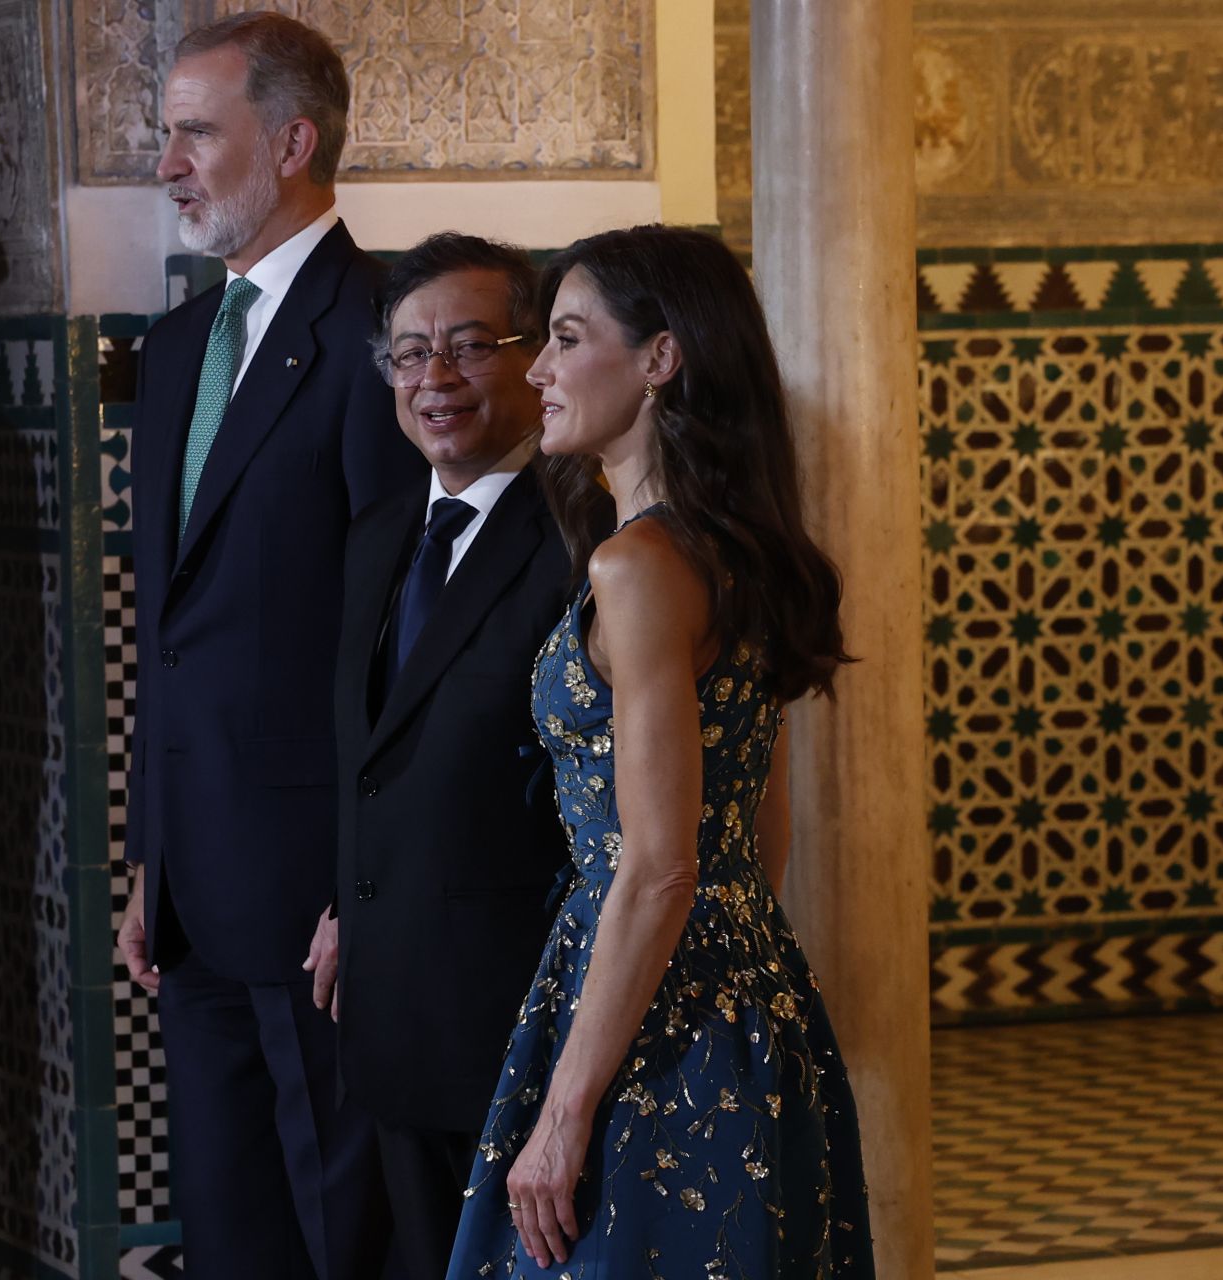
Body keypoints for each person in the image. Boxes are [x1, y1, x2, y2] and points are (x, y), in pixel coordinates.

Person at [445, 225, 875, 1279]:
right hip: (747, 994)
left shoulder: (639, 565)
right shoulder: (730, 550)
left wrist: (567, 1107)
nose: (537, 369)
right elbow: (754, 829)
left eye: (567, 337)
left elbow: (658, 862)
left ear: (660, 359)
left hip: (649, 1008)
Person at [115, 11, 424, 1278]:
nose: (170, 162)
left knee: (338, 1226)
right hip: (195, 884)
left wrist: (362, 882)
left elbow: (398, 638)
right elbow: (171, 633)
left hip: (317, 896)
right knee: (232, 1226)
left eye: (196, 132)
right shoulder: (179, 346)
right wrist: (150, 854)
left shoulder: (385, 333)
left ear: (293, 140)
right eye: (166, 133)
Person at [312, 233, 570, 1277]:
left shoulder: (579, 541)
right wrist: (344, 903)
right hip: (388, 1017)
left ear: (536, 356)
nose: (435, 379)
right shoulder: (378, 536)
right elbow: (374, 758)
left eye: (468, 345)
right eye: (410, 354)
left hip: (516, 1029)